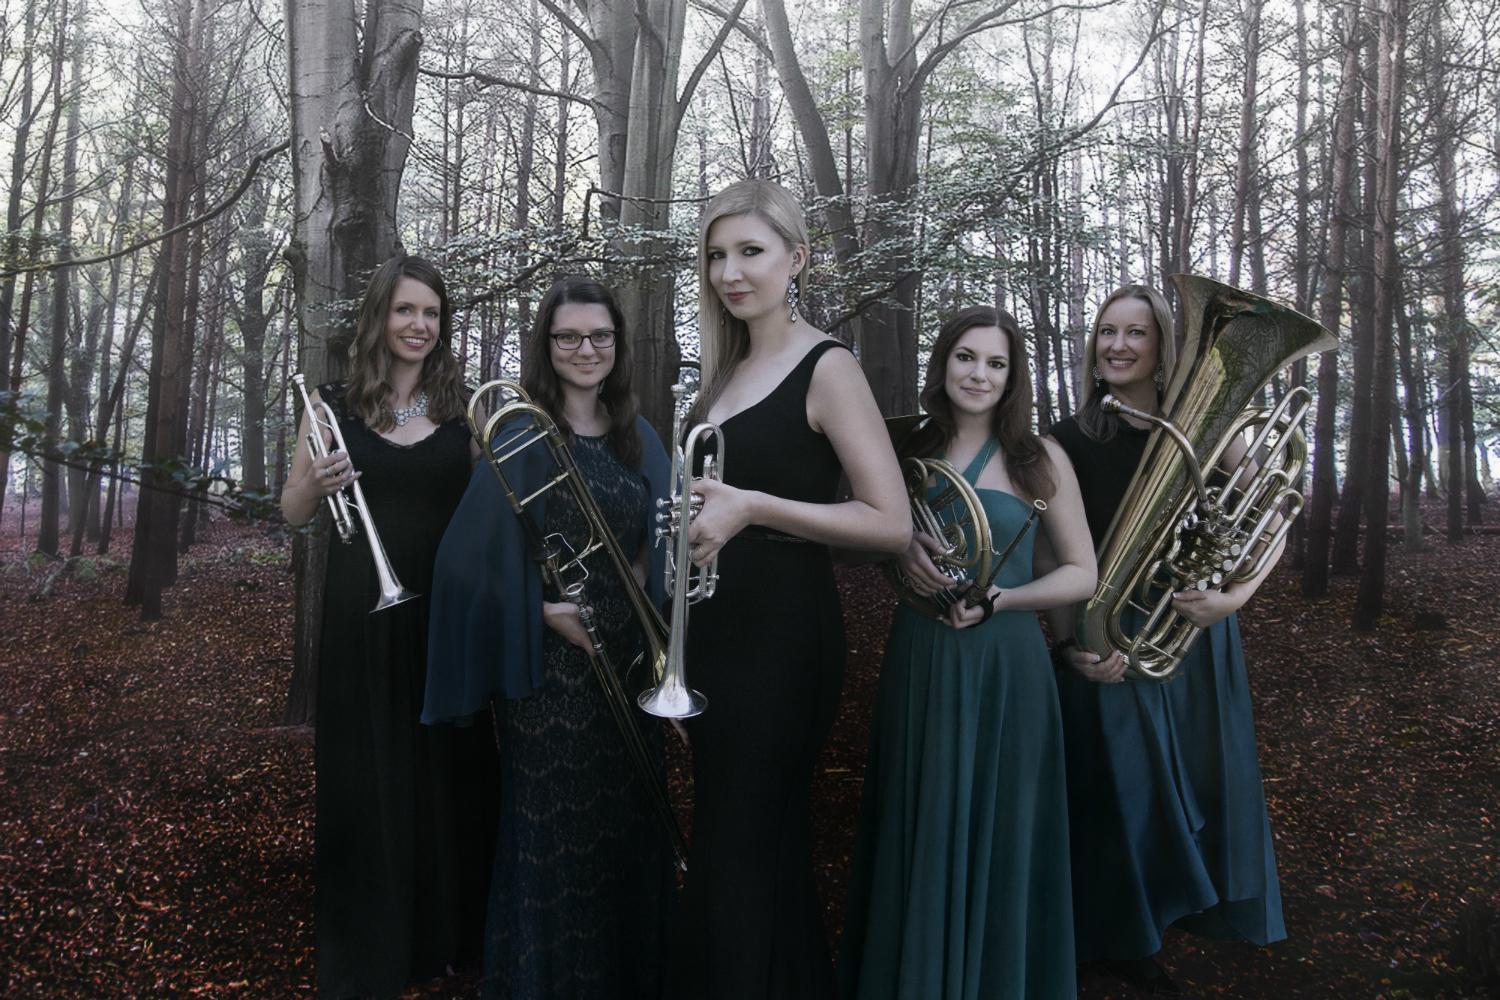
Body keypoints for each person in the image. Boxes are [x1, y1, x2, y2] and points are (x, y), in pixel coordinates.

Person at [670, 179, 911, 999]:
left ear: (796, 258)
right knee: (741, 844)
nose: (730, 272)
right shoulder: (720, 376)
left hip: (783, 640)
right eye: (715, 255)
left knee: (742, 842)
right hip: (714, 632)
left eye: (750, 252)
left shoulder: (828, 365)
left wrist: (751, 507)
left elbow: (890, 525)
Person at [422, 276, 675, 1000]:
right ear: (547, 346)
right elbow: (463, 568)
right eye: (568, 337)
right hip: (552, 676)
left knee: (628, 835)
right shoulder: (523, 433)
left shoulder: (640, 437)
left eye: (600, 336)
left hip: (629, 667)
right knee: (553, 845)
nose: (586, 349)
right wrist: (543, 614)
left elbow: (659, 549)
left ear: (618, 346)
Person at [837, 306, 1096, 999]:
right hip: (921, 653)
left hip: (1008, 663)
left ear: (1014, 378)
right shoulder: (901, 449)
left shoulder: (1039, 459)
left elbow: (1081, 572)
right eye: (966, 357)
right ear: (943, 363)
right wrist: (898, 543)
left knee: (1003, 829)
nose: (979, 373)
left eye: (996, 363)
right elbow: (856, 541)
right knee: (920, 817)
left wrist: (1004, 599)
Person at [1044, 283, 1286, 994]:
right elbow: (1052, 559)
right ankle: (1119, 942)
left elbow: (1275, 512)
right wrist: (1069, 648)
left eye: (1136, 333)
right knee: (1116, 793)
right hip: (1108, 630)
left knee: (1195, 789)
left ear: (1161, 348)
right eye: (1106, 332)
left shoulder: (1205, 423)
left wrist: (1234, 597)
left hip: (1193, 630)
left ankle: (1176, 924)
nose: (1117, 346)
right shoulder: (1067, 440)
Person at [279, 254, 496, 999]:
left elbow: (490, 513)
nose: (419, 325)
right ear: (380, 317)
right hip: (359, 621)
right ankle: (368, 946)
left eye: (431, 313)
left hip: (444, 615)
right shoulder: (332, 408)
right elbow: (293, 512)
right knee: (368, 777)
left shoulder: (462, 408)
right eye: (406, 311)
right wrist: (313, 481)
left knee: (446, 775)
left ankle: (442, 942)